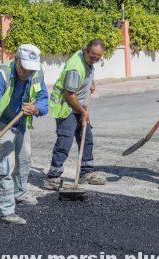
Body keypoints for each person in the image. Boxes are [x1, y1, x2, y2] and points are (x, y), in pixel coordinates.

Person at [0, 44, 49, 224]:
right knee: (5, 164)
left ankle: (19, 193)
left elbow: (44, 99)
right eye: (24, 68)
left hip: (21, 122)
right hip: (2, 123)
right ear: (16, 60)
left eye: (31, 69)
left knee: (24, 159)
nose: (27, 73)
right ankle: (4, 210)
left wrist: (36, 108)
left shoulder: (36, 73)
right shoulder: (2, 75)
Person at [46, 39, 107, 189]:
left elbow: (88, 70)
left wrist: (90, 82)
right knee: (64, 142)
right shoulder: (75, 68)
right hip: (66, 107)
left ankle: (86, 173)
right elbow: (69, 95)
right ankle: (53, 177)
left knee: (86, 138)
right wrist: (83, 111)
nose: (94, 59)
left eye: (98, 58)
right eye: (92, 56)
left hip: (79, 105)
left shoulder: (87, 60)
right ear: (86, 50)